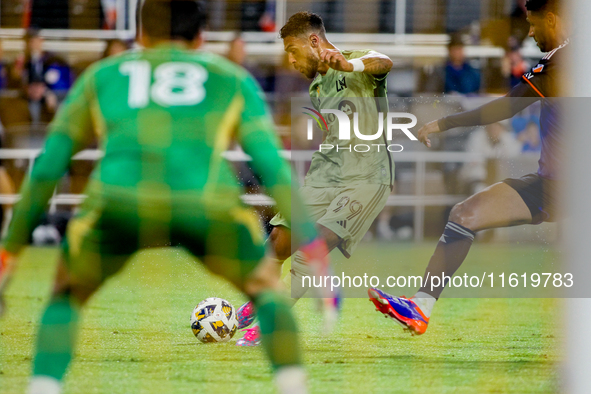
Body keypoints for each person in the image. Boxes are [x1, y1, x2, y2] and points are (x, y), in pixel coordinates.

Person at [0, 1, 328, 393]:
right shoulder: (229, 77)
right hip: (204, 204)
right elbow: (274, 171)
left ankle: (41, 387)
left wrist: (10, 249)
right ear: (201, 37)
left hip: (119, 202)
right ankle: (294, 387)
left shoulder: (102, 76)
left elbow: (48, 167)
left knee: (66, 294)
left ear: (140, 35)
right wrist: (312, 244)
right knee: (266, 290)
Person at [369, 0, 567, 335]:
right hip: (553, 185)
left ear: (551, 19)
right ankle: (421, 306)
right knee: (465, 214)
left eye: (533, 25)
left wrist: (444, 122)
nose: (530, 33)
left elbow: (504, 108)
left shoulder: (564, 62)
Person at [234, 11, 394, 346]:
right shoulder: (318, 85)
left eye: (293, 50)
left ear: (314, 41)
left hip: (366, 176)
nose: (290, 60)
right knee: (279, 240)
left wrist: (352, 67)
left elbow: (384, 61)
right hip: (326, 172)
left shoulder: (354, 62)